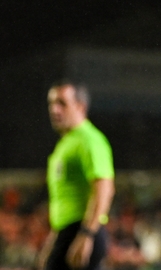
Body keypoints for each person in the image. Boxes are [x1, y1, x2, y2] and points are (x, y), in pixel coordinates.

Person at [38, 81, 115, 270]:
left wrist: (86, 234)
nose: (54, 110)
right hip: (67, 232)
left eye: (62, 103)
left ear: (80, 106)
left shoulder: (89, 140)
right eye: (51, 103)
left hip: (82, 230)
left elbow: (104, 188)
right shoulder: (66, 143)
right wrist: (53, 240)